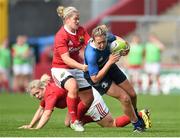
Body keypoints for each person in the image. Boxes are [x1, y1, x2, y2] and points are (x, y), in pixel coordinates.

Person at [18, 74, 151, 130]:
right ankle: (90, 119)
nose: (36, 96)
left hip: (90, 99)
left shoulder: (50, 93)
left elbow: (47, 114)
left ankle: (140, 114)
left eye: (37, 93)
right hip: (81, 101)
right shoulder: (47, 92)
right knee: (68, 123)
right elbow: (41, 109)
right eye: (34, 95)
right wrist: (30, 125)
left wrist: (36, 129)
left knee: (111, 124)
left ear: (42, 88)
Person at [84, 25, 150, 132]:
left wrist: (125, 49)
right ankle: (137, 125)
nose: (101, 45)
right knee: (125, 98)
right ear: (93, 40)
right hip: (98, 76)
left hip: (110, 66)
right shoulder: (91, 53)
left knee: (132, 95)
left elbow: (121, 42)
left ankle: (136, 116)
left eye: (103, 42)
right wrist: (110, 62)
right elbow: (95, 78)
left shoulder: (107, 37)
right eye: (98, 43)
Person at [51, 6, 94, 131]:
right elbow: (66, 59)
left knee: (89, 98)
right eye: (75, 19)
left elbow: (90, 45)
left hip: (76, 67)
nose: (78, 21)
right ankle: (75, 121)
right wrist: (83, 67)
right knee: (73, 86)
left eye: (79, 19)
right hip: (60, 69)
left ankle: (76, 119)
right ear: (67, 20)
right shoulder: (61, 36)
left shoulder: (81, 30)